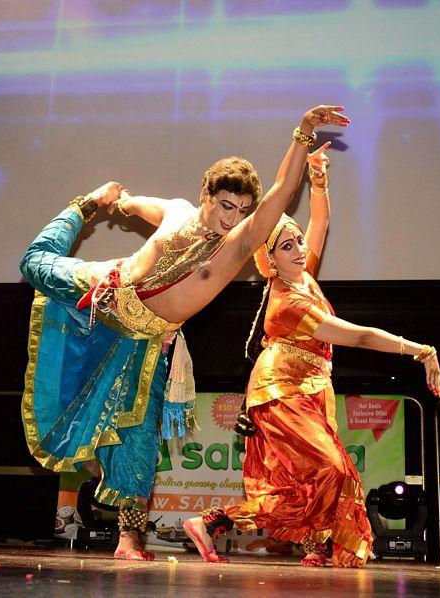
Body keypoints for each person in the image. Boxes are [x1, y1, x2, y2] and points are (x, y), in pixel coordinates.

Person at [20, 106, 350, 560]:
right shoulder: (177, 212)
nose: (233, 218)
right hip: (104, 292)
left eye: (242, 211)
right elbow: (137, 205)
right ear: (206, 196)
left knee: (137, 439)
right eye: (225, 206)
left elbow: (281, 191)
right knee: (34, 264)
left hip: (146, 338)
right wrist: (111, 201)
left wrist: (303, 134)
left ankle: (129, 541)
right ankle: (82, 204)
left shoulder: (234, 249)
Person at [183, 144, 440, 567]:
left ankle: (310, 546)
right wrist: (420, 351)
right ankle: (217, 521)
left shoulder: (303, 275)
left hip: (310, 387)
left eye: (299, 241)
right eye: (287, 246)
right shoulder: (288, 302)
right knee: (331, 469)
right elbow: (358, 338)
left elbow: (320, 220)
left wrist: (318, 178)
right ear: (268, 259)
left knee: (307, 478)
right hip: (281, 392)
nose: (301, 249)